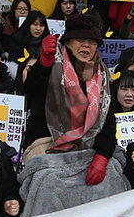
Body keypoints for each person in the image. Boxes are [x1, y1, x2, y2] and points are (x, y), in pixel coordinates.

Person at [22, 14, 116, 185]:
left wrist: (102, 155)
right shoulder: (51, 62)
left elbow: (107, 121)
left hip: (87, 149)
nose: (86, 44)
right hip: (48, 147)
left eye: (92, 41)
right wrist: (44, 63)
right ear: (67, 41)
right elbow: (31, 90)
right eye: (80, 38)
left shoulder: (102, 74)